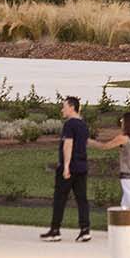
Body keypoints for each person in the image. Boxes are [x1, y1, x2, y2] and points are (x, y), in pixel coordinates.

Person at [41, 95, 92, 242]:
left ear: (71, 107)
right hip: (82, 166)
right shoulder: (83, 124)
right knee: (82, 199)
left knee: (60, 199)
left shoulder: (69, 124)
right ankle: (85, 230)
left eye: (64, 107)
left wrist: (66, 166)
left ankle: (55, 230)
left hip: (70, 167)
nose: (62, 110)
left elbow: (68, 145)